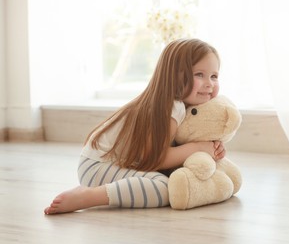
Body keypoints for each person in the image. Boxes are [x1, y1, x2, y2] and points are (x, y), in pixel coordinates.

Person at [44, 38, 226, 214]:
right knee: (165, 189)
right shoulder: (172, 107)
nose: (209, 83)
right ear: (174, 76)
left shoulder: (183, 107)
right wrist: (198, 148)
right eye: (199, 75)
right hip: (97, 167)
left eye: (214, 76)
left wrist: (211, 150)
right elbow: (158, 159)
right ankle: (88, 197)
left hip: (107, 165)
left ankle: (96, 191)